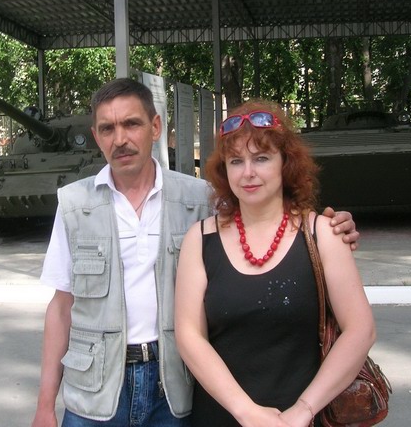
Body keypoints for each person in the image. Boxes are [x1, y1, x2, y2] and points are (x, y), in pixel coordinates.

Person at [31, 80, 360, 427]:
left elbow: (263, 211)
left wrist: (332, 227)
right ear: (96, 136)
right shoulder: (74, 205)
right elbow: (62, 307)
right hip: (95, 391)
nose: (120, 139)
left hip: (174, 386)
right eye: (107, 128)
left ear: (155, 127)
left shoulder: (200, 199)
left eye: (131, 123)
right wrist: (45, 405)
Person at [175, 100, 376, 427]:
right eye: (236, 161)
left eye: (262, 158)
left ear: (286, 163)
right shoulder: (199, 240)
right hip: (222, 416)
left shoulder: (324, 234)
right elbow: (189, 335)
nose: (248, 172)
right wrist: (246, 411)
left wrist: (304, 411)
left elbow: (360, 330)